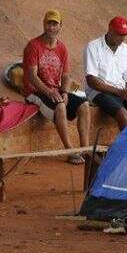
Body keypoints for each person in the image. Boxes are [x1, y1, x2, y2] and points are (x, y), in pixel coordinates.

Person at [23, 10, 92, 164]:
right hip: (35, 92)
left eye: (55, 24)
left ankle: (85, 150)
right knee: (60, 106)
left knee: (84, 105)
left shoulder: (62, 48)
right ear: (44, 24)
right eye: (49, 23)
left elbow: (66, 75)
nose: (51, 27)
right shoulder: (33, 46)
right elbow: (32, 77)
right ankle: (70, 151)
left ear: (61, 26)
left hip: (55, 89)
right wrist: (49, 91)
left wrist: (65, 92)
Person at [84, 16, 127, 130]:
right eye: (119, 34)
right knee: (122, 113)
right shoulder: (93, 46)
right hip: (99, 92)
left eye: (124, 35)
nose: (122, 38)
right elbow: (92, 81)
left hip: (120, 91)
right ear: (110, 30)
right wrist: (119, 92)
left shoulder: (126, 49)